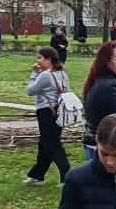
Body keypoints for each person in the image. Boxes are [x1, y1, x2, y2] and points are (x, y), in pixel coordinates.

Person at [23, 47, 76, 185]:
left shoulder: (45, 75)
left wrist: (34, 74)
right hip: (60, 111)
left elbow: (30, 91)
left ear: (48, 59)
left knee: (52, 144)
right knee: (45, 144)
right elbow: (67, 90)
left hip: (47, 112)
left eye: (40, 58)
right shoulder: (62, 73)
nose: (37, 61)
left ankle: (67, 175)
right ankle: (37, 175)